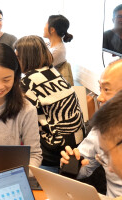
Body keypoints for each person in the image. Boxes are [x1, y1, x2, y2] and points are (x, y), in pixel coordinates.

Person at [15, 35, 85, 168]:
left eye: (17, 57)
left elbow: (15, 117)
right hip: (77, 146)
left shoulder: (27, 83)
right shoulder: (54, 73)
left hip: (55, 151)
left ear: (25, 58)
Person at [61, 59, 122, 198]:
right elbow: (84, 166)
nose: (100, 98)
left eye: (106, 90)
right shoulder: (101, 128)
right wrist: (71, 164)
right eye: (100, 89)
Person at [43, 14, 74, 85]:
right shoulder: (48, 44)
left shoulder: (58, 51)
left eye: (45, 25)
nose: (43, 28)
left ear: (52, 30)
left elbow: (41, 69)